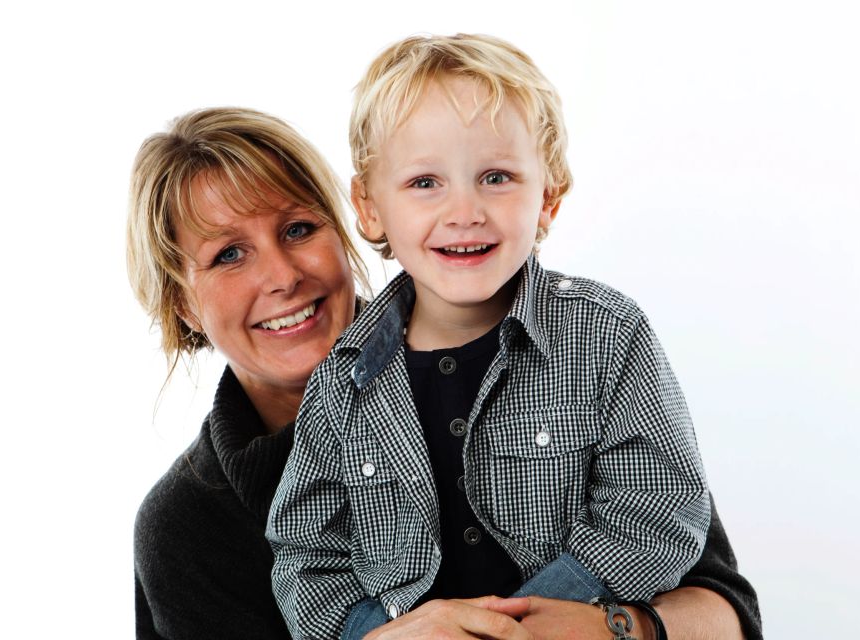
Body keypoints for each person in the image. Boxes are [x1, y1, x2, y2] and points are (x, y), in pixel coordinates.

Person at [128, 107, 762, 640]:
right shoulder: (186, 526)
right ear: (182, 301)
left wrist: (613, 626)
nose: (282, 276)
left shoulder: (563, 358)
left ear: (350, 224)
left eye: (298, 229)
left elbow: (725, 610)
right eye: (228, 254)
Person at [266, 34, 718, 640]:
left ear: (548, 200)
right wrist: (372, 634)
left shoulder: (606, 334)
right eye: (425, 182)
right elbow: (306, 552)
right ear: (370, 207)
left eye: (496, 177)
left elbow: (659, 508)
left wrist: (522, 624)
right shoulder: (343, 379)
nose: (465, 211)